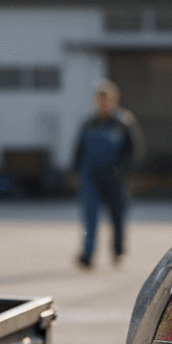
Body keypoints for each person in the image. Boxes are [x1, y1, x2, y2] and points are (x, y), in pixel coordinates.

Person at [72, 80, 143, 269]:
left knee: (117, 219)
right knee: (90, 219)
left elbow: (134, 152)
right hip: (91, 179)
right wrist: (75, 172)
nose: (103, 104)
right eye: (99, 100)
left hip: (115, 180)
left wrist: (123, 171)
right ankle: (87, 255)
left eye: (107, 100)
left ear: (113, 100)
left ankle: (118, 253)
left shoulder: (123, 123)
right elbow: (78, 151)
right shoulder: (88, 124)